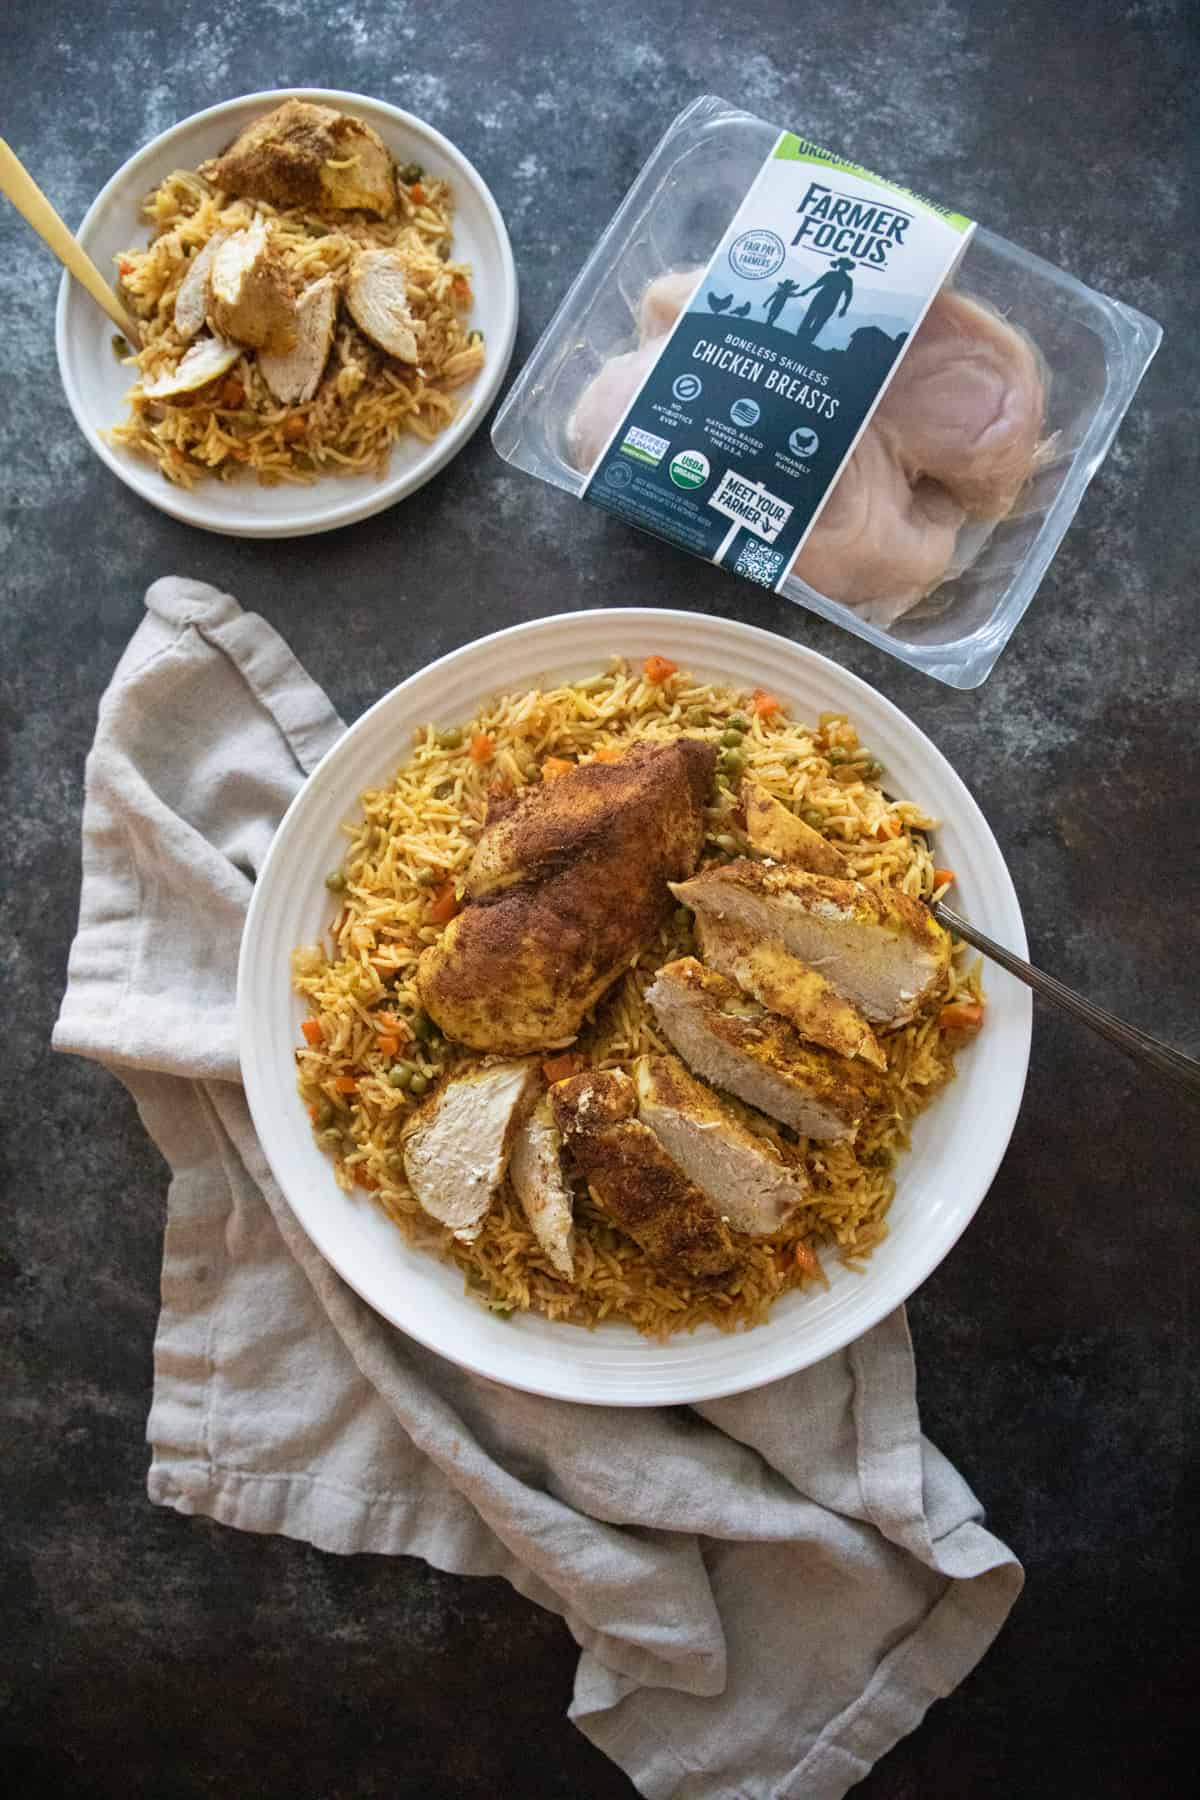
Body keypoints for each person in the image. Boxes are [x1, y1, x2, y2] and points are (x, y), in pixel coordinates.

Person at [796, 257, 855, 345]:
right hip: (823, 299)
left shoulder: (846, 280)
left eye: (844, 265)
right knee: (812, 317)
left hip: (828, 301)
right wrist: (807, 290)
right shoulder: (834, 275)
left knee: (818, 320)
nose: (842, 267)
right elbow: (818, 283)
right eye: (842, 264)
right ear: (839, 265)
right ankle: (801, 337)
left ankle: (807, 339)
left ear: (846, 267)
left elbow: (848, 295)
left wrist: (844, 308)